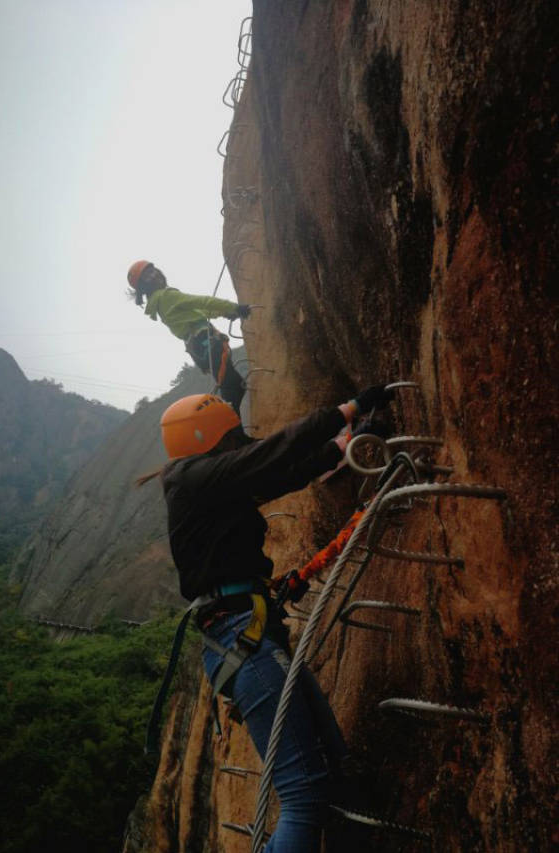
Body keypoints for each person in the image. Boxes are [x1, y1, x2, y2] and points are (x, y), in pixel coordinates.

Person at [157, 384, 394, 852]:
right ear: (206, 442)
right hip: (243, 643)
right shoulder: (190, 479)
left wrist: (342, 446)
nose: (239, 442)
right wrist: (346, 410)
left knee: (335, 766)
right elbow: (270, 454)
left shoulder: (211, 490)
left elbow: (279, 476)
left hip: (249, 636)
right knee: (304, 797)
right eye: (230, 437)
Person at [127, 260, 251, 414]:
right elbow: (201, 302)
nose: (154, 275)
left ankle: (235, 433)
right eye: (147, 276)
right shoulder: (166, 296)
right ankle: (233, 434)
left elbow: (199, 313)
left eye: (152, 271)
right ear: (143, 287)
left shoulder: (158, 303)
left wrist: (225, 313)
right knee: (232, 389)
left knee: (235, 385)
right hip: (207, 343)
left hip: (201, 348)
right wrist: (235, 307)